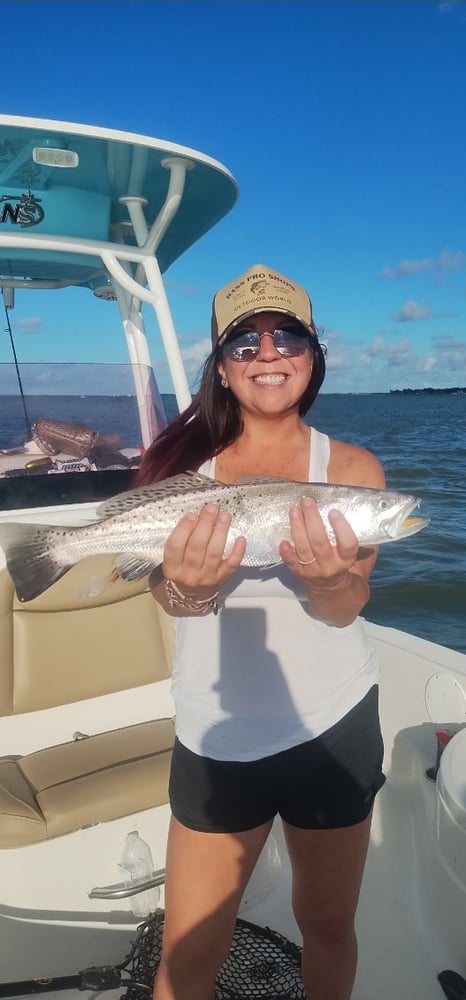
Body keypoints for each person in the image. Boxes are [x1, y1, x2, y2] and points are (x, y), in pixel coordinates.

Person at [135, 264, 386, 1000]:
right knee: (186, 956)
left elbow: (346, 608)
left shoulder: (351, 468)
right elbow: (167, 595)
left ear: (314, 354)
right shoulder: (180, 468)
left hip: (334, 724)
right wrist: (192, 586)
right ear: (220, 363)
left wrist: (330, 579)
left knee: (331, 927)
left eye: (289, 336)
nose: (268, 353)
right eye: (244, 341)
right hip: (219, 737)